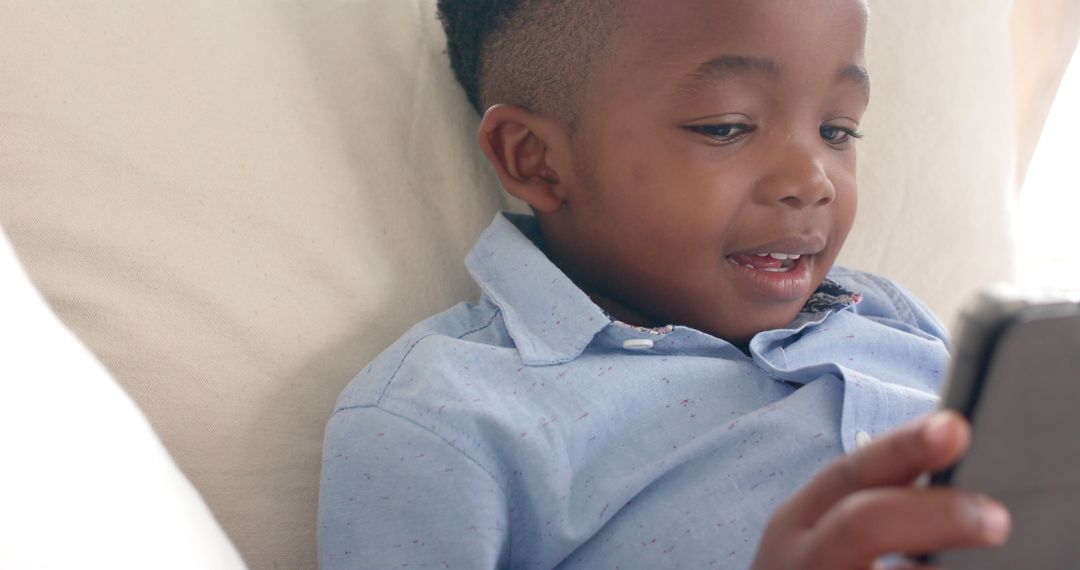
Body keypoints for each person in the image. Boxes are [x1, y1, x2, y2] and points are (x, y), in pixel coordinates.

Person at [318, 0, 1011, 567]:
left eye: (837, 129)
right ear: (538, 161)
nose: (812, 181)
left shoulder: (893, 320)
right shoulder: (446, 421)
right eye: (726, 127)